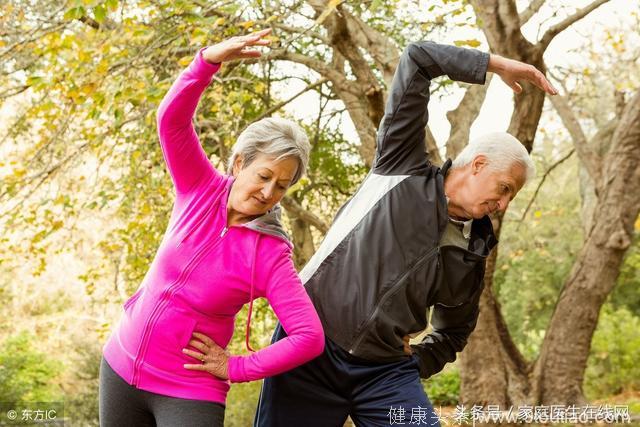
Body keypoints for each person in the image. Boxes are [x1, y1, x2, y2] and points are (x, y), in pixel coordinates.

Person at [254, 40, 557, 426]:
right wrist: (495, 65)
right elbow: (418, 58)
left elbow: (454, 331)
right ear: (478, 164)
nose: (504, 205)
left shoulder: (473, 249)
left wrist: (418, 361)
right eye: (504, 189)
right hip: (311, 344)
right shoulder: (402, 165)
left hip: (384, 375)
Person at [99, 29, 324, 427]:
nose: (269, 191)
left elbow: (308, 337)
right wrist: (208, 61)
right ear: (239, 164)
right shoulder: (199, 187)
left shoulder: (271, 254)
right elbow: (171, 121)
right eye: (264, 175)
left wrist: (237, 366)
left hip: (188, 391)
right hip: (120, 366)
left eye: (282, 186)